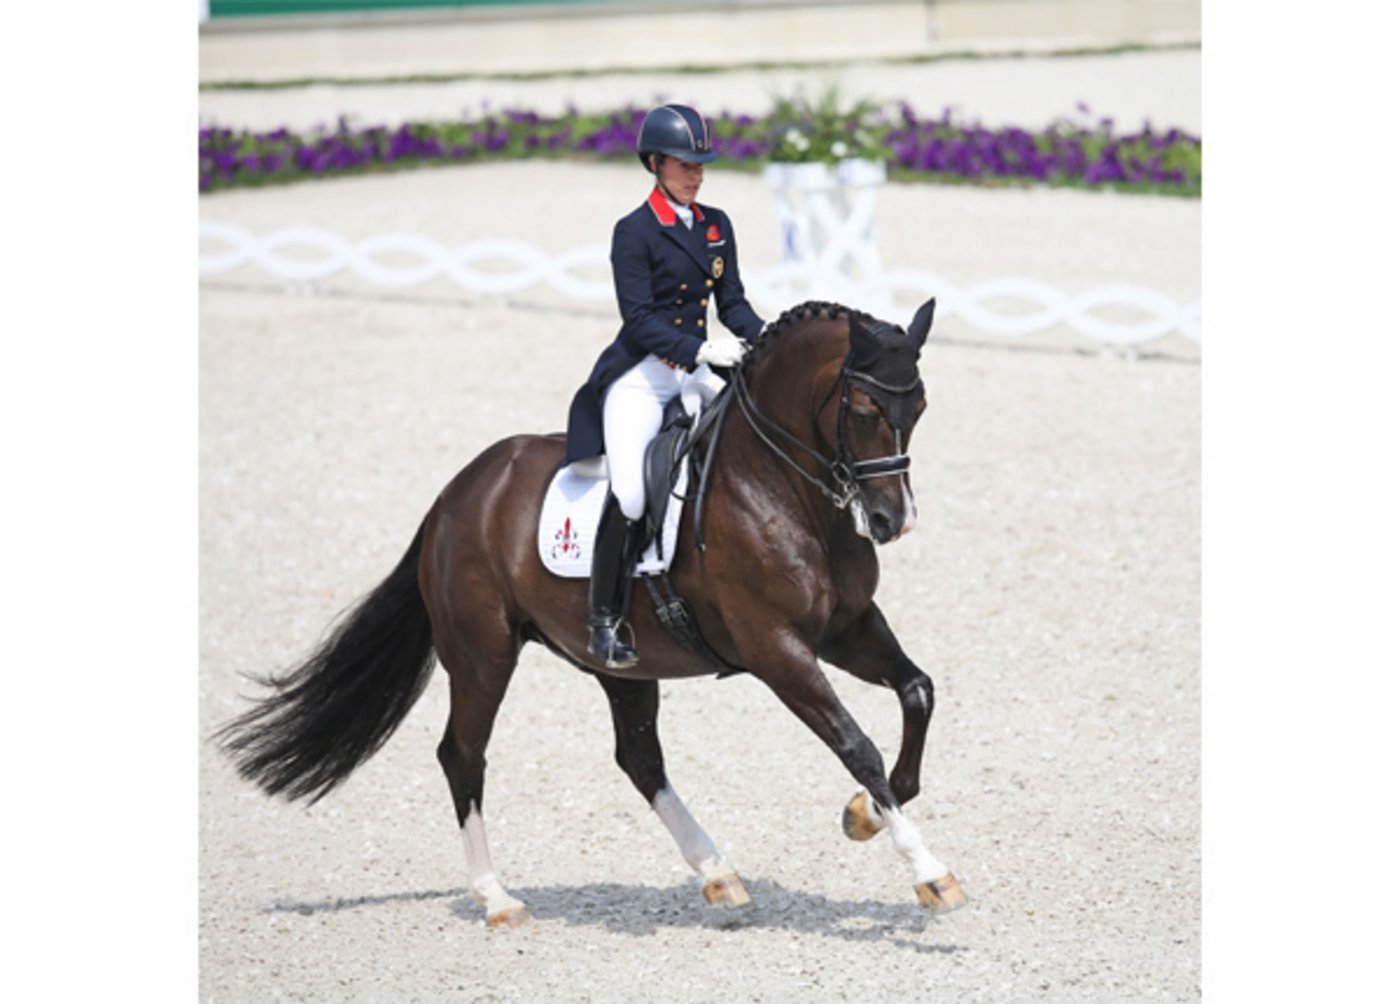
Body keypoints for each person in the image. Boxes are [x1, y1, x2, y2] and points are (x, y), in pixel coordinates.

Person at [563, 102, 767, 669]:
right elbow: (640, 319)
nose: (696, 175)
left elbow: (732, 304)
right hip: (643, 378)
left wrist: (768, 338)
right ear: (654, 163)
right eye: (684, 165)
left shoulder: (715, 224)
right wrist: (700, 350)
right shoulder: (633, 231)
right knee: (631, 493)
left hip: (698, 370)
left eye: (700, 165)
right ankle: (603, 620)